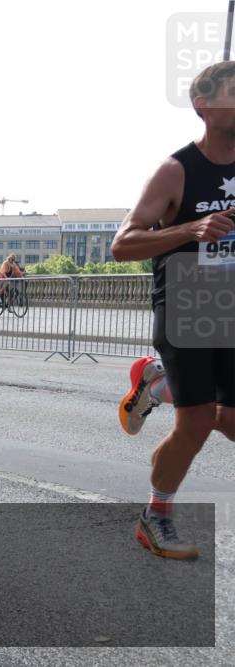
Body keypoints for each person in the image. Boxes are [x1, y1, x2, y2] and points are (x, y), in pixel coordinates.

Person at [111, 60, 235, 560]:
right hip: (189, 299)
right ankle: (155, 518)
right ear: (203, 106)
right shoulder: (176, 170)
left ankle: (158, 382)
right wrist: (190, 229)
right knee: (199, 419)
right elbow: (123, 244)